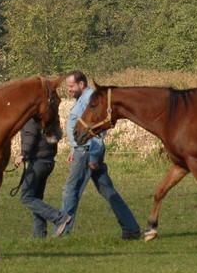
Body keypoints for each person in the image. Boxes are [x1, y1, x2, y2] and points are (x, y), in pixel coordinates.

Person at [54, 70, 141, 239]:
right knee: (107, 190)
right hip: (83, 151)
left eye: (71, 86)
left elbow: (98, 132)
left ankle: (63, 232)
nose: (69, 90)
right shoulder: (82, 99)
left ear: (81, 84)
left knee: (71, 190)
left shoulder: (90, 99)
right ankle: (131, 228)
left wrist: (93, 156)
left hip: (87, 152)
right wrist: (73, 149)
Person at [16, 116, 70, 238]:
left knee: (26, 197)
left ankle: (59, 218)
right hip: (48, 161)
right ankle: (39, 235)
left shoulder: (31, 118)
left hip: (38, 162)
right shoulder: (49, 117)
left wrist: (23, 154)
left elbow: (30, 135)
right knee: (36, 198)